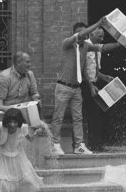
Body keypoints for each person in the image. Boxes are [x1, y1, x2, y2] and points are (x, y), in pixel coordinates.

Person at [50, 19, 120, 155]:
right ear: (74, 33)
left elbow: (103, 48)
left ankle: (79, 145)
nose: (82, 35)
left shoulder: (86, 47)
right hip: (63, 86)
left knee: (78, 118)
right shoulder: (67, 43)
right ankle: (55, 143)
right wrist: (99, 23)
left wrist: (118, 44)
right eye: (79, 33)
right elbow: (81, 35)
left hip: (76, 88)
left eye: (84, 33)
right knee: (58, 116)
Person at [82, 27, 115, 151]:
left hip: (96, 84)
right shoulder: (85, 47)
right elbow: (83, 68)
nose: (102, 39)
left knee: (100, 112)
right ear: (90, 34)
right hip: (86, 85)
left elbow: (95, 70)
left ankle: (98, 143)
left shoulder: (98, 49)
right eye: (99, 36)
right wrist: (90, 85)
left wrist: (104, 77)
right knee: (91, 114)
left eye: (102, 37)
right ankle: (92, 144)